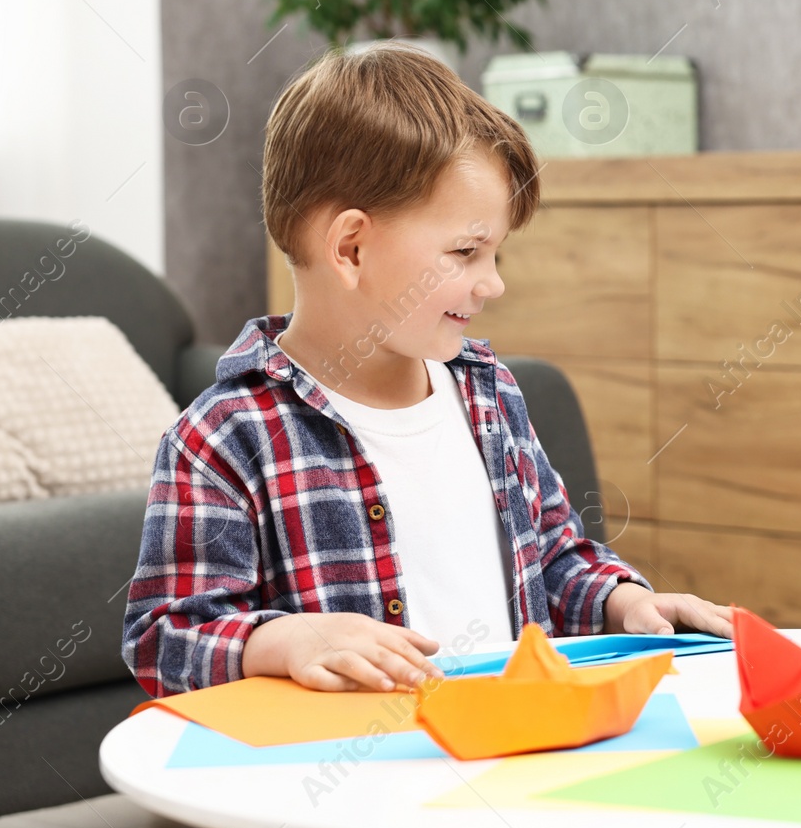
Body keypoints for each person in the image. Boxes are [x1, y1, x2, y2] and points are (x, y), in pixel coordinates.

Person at [123, 43, 731, 706]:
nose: (492, 282)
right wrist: (285, 641)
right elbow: (166, 637)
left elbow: (552, 555)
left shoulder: (488, 392)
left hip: (514, 758)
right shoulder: (224, 437)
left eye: (495, 253)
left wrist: (624, 601)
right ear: (351, 249)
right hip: (341, 791)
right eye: (466, 251)